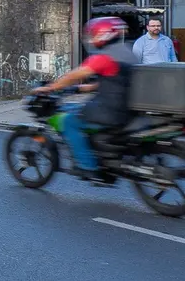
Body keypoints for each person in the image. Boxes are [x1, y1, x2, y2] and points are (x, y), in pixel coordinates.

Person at [32, 16, 135, 183]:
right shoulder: (127, 52)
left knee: (68, 120)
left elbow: (75, 75)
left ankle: (87, 166)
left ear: (102, 35)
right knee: (76, 109)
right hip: (124, 107)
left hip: (109, 110)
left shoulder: (104, 57)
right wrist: (81, 88)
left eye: (93, 35)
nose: (91, 39)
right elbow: (113, 80)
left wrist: (50, 87)